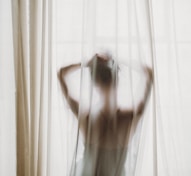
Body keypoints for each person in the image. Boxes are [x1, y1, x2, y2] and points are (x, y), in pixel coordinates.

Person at [57, 53, 153, 176]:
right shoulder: (129, 117)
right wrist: (119, 60)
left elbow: (61, 74)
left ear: (94, 84)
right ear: (117, 82)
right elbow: (149, 74)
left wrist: (87, 63)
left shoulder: (86, 116)